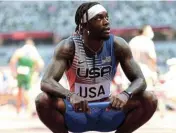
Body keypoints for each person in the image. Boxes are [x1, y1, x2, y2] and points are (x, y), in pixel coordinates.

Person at [35, 2, 157, 133]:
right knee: (42, 100)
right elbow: (46, 81)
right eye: (99, 18)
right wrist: (71, 96)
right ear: (84, 24)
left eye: (107, 17)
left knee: (149, 99)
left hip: (108, 110)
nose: (106, 22)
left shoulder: (118, 45)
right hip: (77, 112)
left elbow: (140, 80)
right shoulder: (68, 47)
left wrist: (125, 95)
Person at [10, 38, 44, 115]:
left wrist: (14, 72)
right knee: (27, 91)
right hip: (28, 73)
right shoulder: (34, 51)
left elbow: (12, 61)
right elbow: (40, 64)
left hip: (20, 72)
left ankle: (18, 109)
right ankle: (29, 108)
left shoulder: (20, 51)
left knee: (19, 90)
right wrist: (35, 71)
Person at [129, 25, 157, 90]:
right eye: (150, 30)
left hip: (133, 74)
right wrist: (154, 72)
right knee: (148, 95)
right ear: (144, 31)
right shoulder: (148, 41)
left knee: (136, 97)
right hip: (146, 73)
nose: (151, 32)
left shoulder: (132, 41)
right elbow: (152, 58)